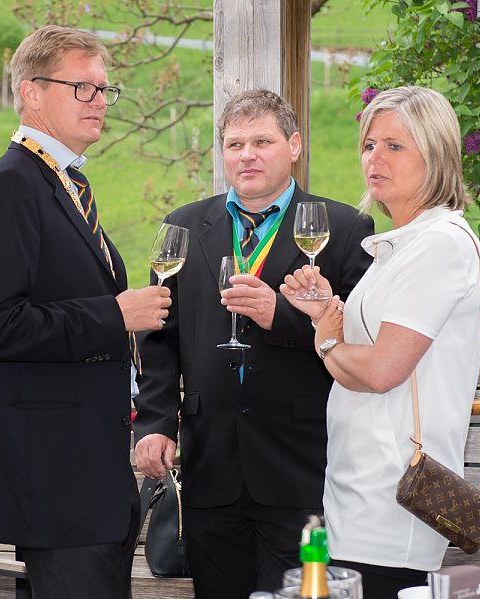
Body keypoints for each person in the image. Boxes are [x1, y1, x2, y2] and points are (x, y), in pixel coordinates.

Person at [0, 25, 171, 599]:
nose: (99, 102)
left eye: (104, 90)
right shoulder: (10, 185)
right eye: (82, 88)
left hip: (89, 470)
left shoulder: (64, 182)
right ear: (32, 92)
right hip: (53, 479)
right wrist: (114, 315)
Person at [133, 89, 375, 599]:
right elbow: (158, 339)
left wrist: (280, 317)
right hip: (210, 466)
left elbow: (360, 340)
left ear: (294, 146)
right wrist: (154, 423)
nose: (247, 155)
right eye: (235, 144)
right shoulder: (182, 227)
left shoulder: (344, 228)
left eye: (262, 142)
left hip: (300, 465)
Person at [280, 86, 480, 599]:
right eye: (369, 145)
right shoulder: (402, 245)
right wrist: (326, 315)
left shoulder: (440, 244)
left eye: (395, 146)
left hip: (393, 502)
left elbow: (380, 370)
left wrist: (327, 341)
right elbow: (365, 355)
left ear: (435, 154)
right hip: (359, 492)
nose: (375, 158)